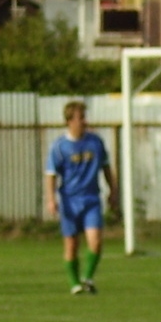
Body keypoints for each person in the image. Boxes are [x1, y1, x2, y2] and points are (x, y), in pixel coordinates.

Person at [45, 101, 119, 295]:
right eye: (80, 118)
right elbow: (51, 174)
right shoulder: (59, 147)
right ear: (69, 121)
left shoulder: (96, 142)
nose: (85, 121)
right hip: (69, 201)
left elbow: (106, 167)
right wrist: (51, 199)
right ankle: (74, 283)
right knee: (71, 244)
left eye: (85, 117)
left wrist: (113, 191)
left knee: (96, 241)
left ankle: (87, 278)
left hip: (91, 199)